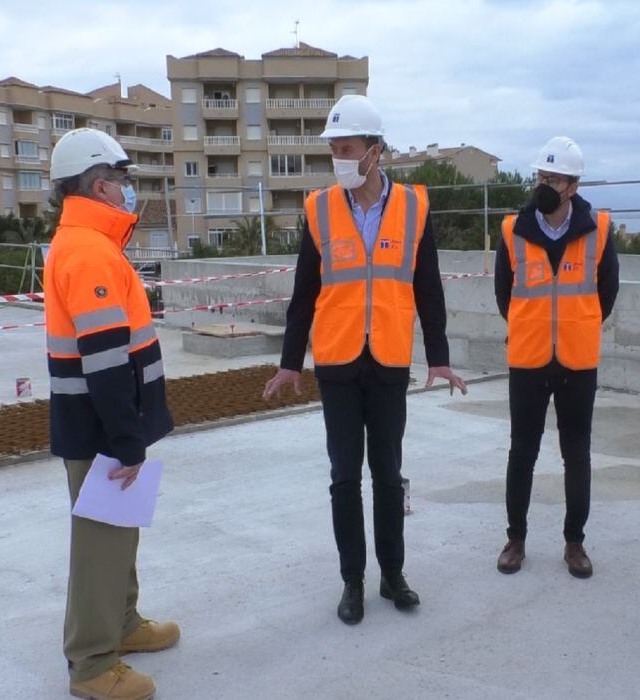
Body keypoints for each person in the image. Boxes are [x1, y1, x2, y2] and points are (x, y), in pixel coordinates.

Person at [263, 95, 466, 626]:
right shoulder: (319, 208)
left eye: (347, 148)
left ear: (376, 151)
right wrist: (290, 361)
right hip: (337, 361)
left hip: (389, 359)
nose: (340, 159)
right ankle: (351, 580)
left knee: (388, 473)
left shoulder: (416, 207)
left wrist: (438, 356)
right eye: (333, 150)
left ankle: (392, 574)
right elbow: (304, 293)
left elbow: (428, 288)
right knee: (343, 476)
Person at [46, 128, 178, 700]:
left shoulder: (92, 244)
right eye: (122, 182)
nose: (127, 193)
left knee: (118, 533)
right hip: (102, 425)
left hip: (109, 422)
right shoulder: (88, 250)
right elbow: (103, 357)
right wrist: (127, 438)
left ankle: (122, 624)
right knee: (100, 543)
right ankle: (93, 662)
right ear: (100, 185)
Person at [493, 136, 619, 579]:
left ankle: (575, 542)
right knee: (521, 453)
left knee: (576, 454)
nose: (543, 185)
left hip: (577, 361)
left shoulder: (599, 229)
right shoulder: (513, 229)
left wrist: (575, 327)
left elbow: (607, 292)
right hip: (527, 359)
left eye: (553, 179)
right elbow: (504, 294)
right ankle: (515, 538)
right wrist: (533, 328)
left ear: (572, 185)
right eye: (540, 177)